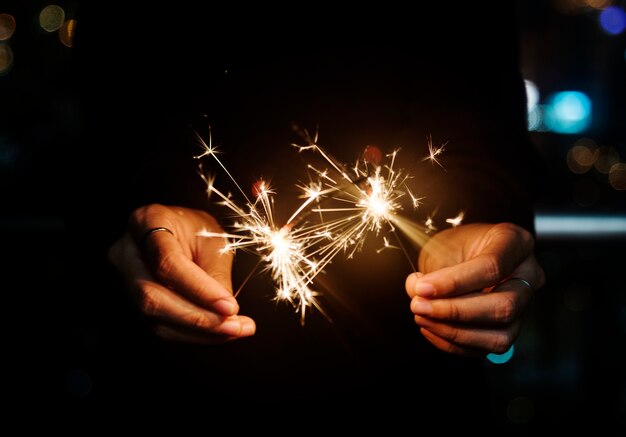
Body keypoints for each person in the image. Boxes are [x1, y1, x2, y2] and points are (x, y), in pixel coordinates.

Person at [64, 1, 545, 425]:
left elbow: (486, 113)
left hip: (412, 396)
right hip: (173, 390)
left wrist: (482, 222)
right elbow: (109, 111)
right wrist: (144, 209)